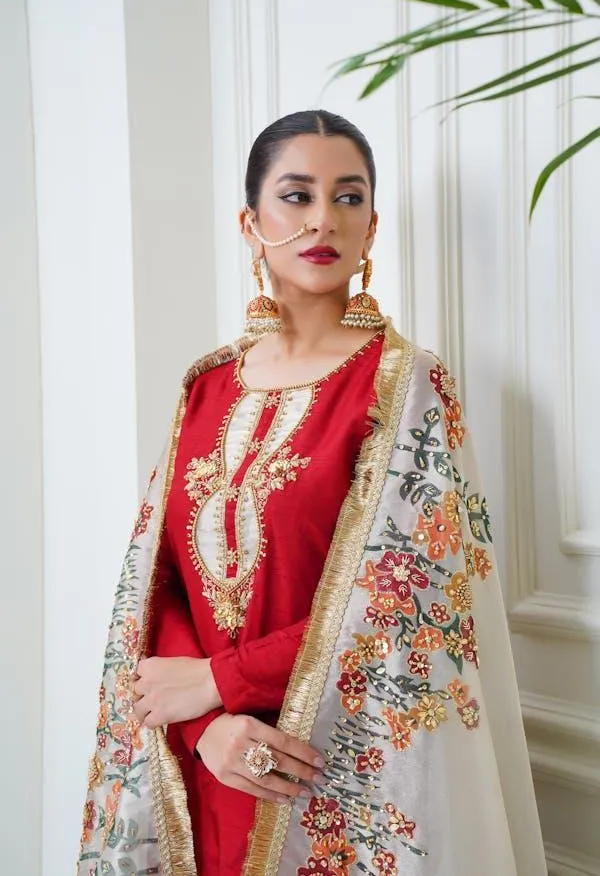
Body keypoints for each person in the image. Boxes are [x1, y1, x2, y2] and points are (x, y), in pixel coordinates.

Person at [77, 110, 548, 876]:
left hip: (326, 763)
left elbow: (412, 605)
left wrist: (218, 683)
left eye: (349, 197)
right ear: (250, 220)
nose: (323, 218)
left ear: (371, 226)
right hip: (203, 760)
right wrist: (205, 725)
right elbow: (150, 583)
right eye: (296, 196)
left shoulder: (404, 383)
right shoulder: (206, 385)